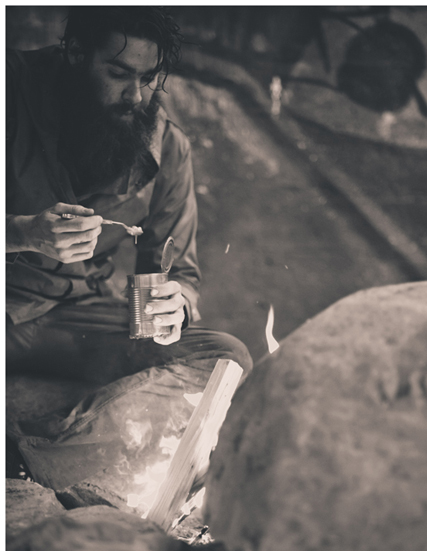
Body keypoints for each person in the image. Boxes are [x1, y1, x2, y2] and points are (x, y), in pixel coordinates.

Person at [6, 7, 252, 489]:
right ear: (76, 54)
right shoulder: (9, 88)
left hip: (76, 317)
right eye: (118, 74)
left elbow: (178, 271)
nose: (135, 96)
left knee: (225, 358)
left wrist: (175, 304)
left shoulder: (165, 144)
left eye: (149, 78)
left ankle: (39, 454)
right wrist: (20, 234)